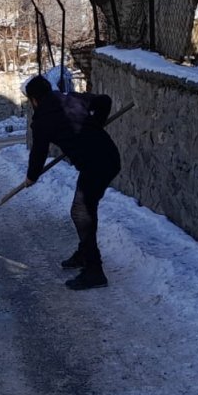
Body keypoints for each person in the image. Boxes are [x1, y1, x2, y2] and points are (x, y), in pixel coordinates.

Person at [22, 76, 121, 290]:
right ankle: (84, 254)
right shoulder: (71, 98)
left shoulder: (42, 121)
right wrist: (96, 124)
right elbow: (104, 101)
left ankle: (94, 271)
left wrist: (32, 176)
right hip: (108, 156)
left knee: (81, 212)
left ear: (34, 100)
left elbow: (39, 152)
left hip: (96, 164)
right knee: (86, 209)